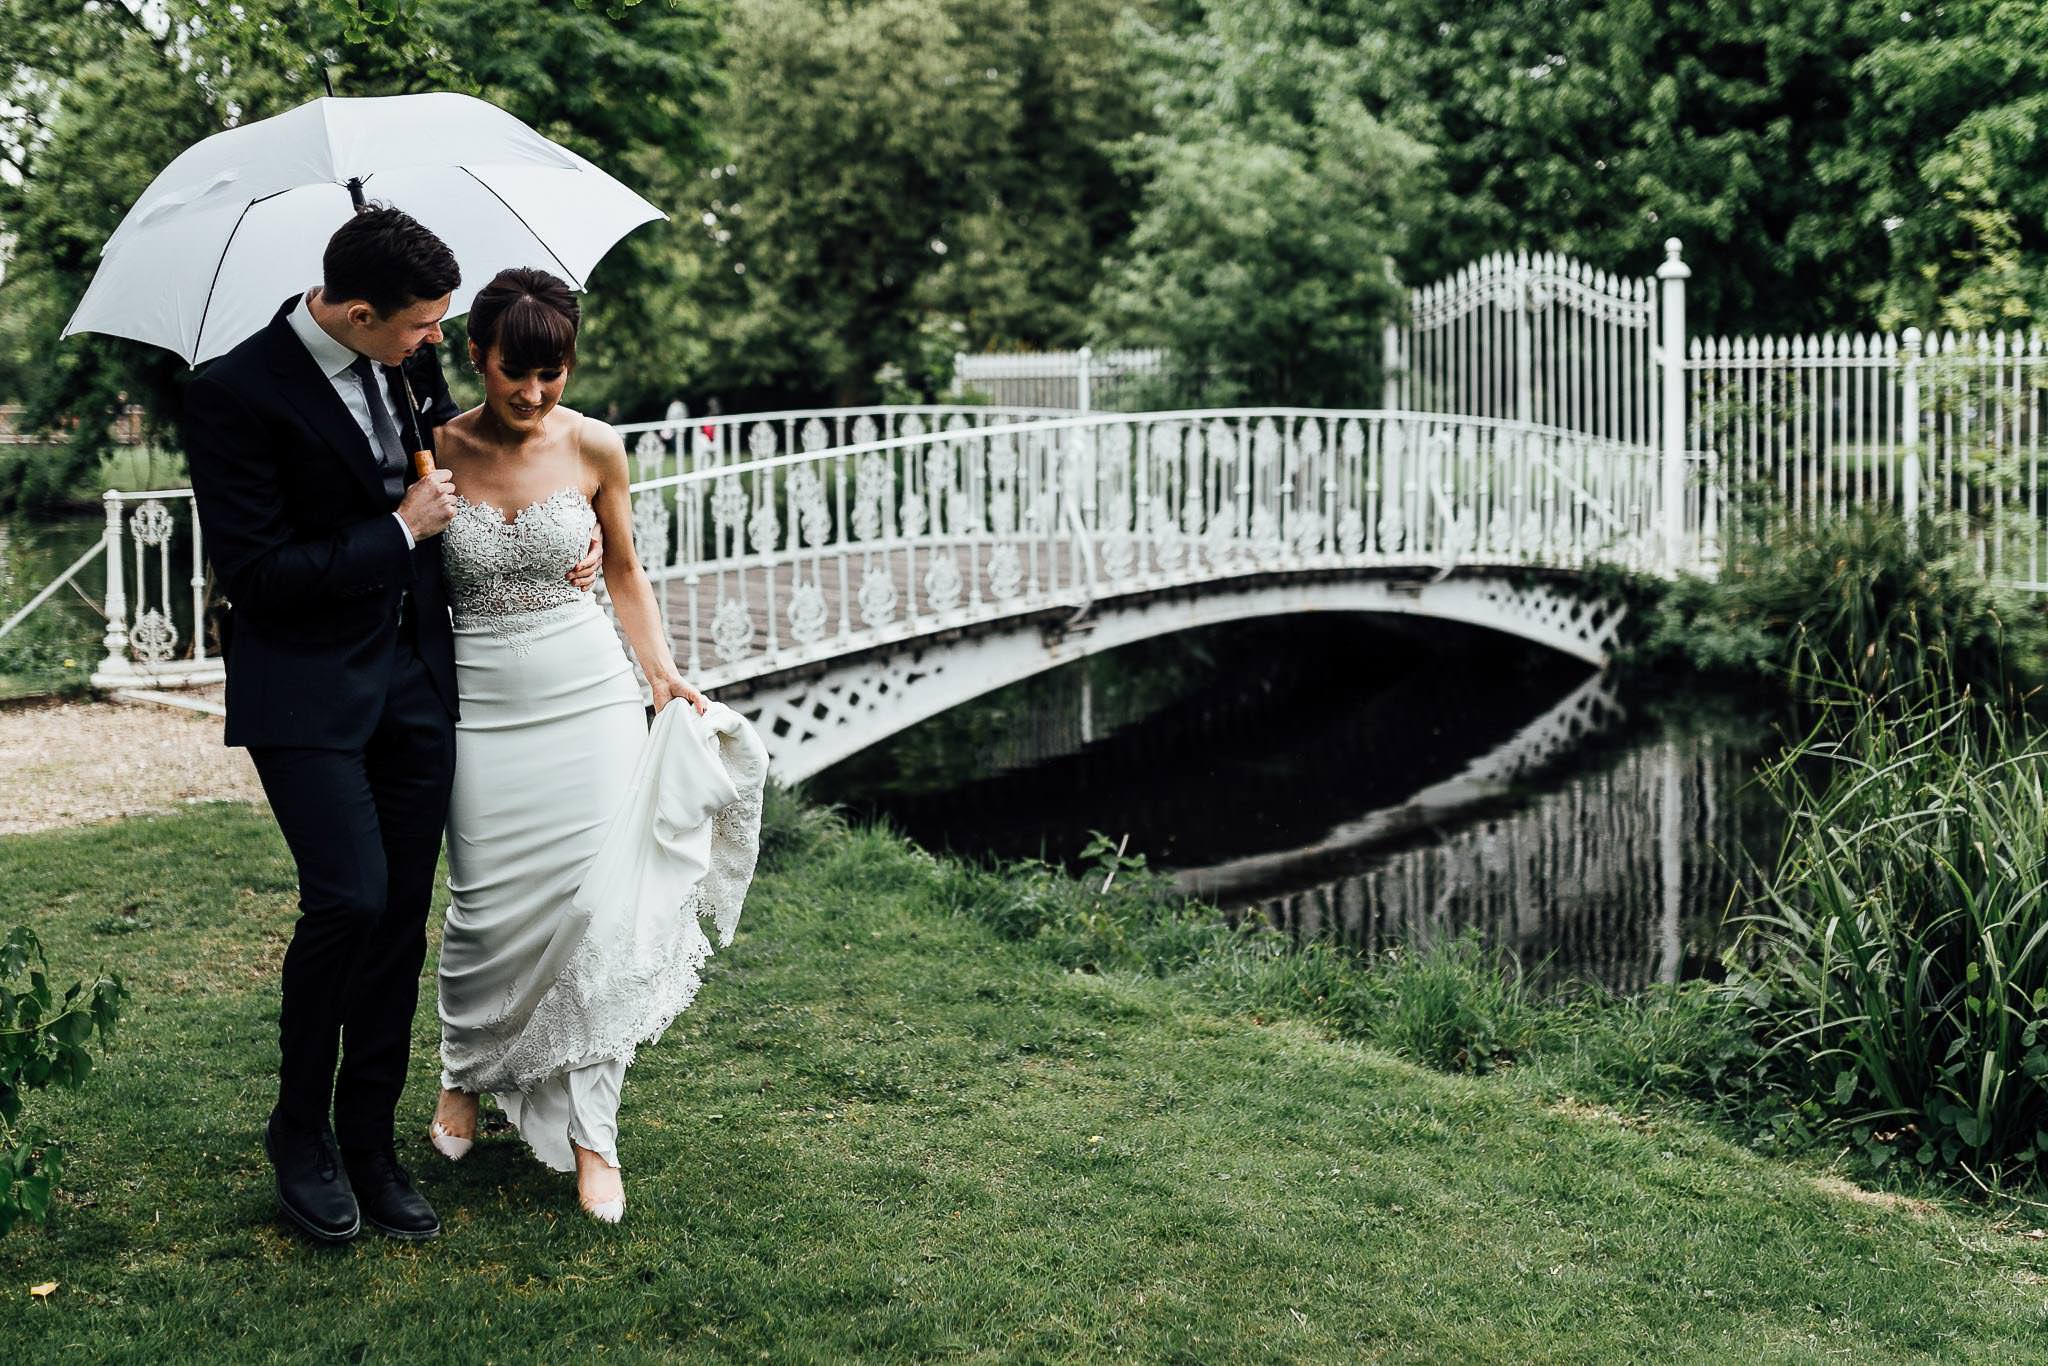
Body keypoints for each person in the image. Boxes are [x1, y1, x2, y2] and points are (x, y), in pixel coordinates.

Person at [181, 207, 601, 1244]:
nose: (435, 348)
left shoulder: (400, 370)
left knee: (399, 921)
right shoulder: (231, 395)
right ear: (360, 312)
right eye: (422, 327)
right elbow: (260, 576)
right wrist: (392, 531)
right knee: (349, 903)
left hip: (415, 686)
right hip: (306, 695)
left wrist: (568, 551)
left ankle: (369, 1142)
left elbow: (470, 484)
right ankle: (300, 1134)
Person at [424, 267, 762, 1223]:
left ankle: (592, 1139)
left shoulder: (598, 448)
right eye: (514, 373)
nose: (534, 394)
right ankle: (466, 1070)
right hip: (482, 706)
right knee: (483, 910)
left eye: (554, 372)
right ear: (478, 356)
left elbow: (623, 569)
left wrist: (660, 674)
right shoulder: (431, 452)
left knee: (599, 916)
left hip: (589, 700)